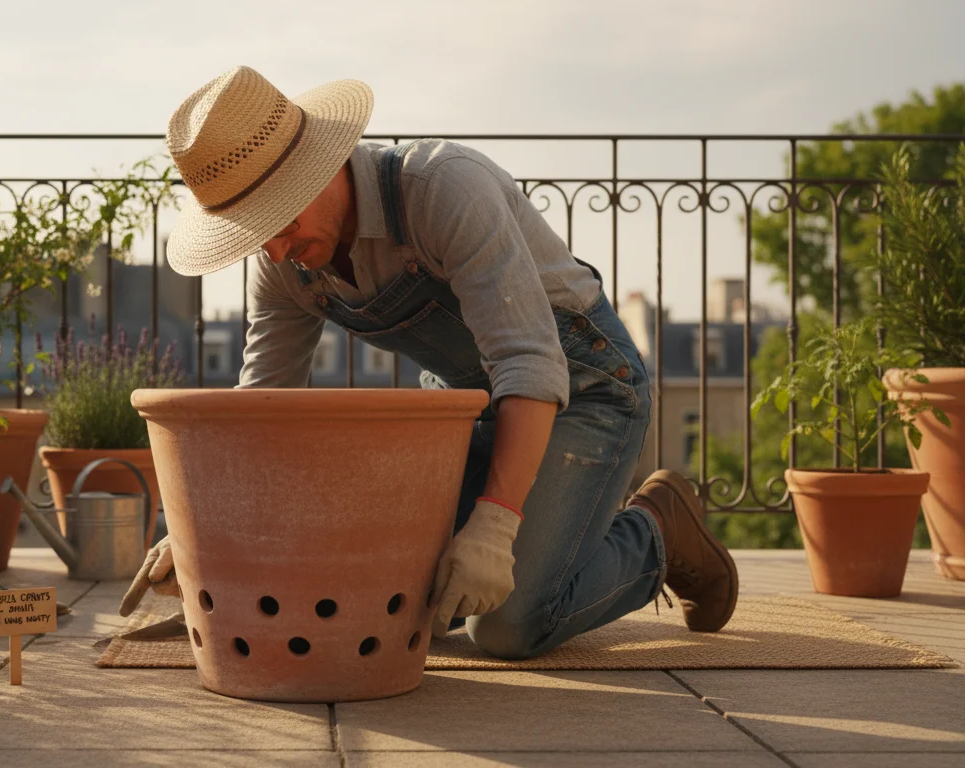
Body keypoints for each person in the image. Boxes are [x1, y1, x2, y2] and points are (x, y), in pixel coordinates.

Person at [118, 65, 738, 658]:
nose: (276, 251)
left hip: (584, 388)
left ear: (322, 167)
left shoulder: (442, 188)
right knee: (398, 604)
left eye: (279, 218)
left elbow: (528, 359)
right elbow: (262, 404)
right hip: (466, 408)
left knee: (508, 628)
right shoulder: (285, 266)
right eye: (253, 233)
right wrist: (205, 532)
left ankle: (658, 530)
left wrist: (495, 527)